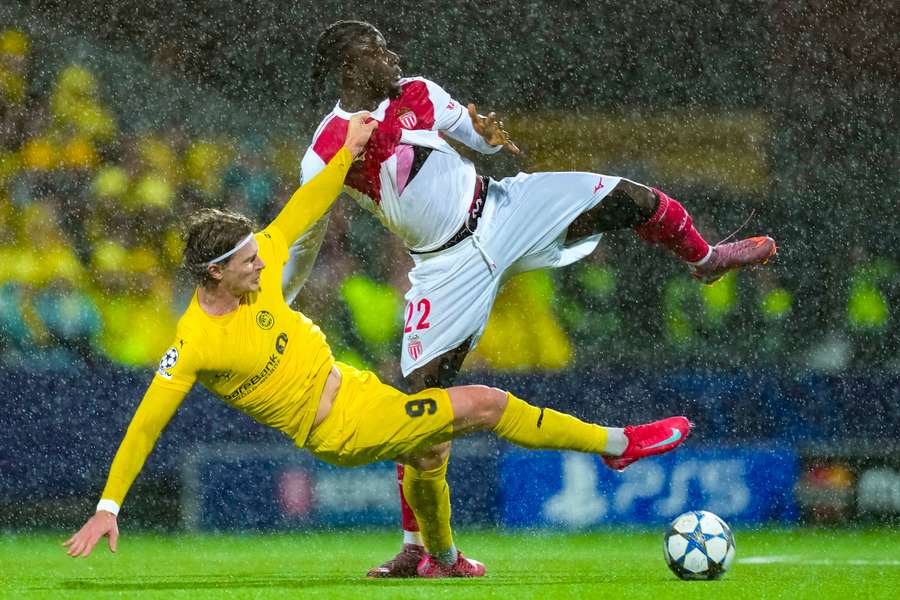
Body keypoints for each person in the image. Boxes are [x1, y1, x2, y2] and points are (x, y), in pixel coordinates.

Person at [63, 113, 692, 578]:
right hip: (340, 428)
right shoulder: (196, 341)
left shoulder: (259, 269)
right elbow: (146, 424)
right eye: (249, 262)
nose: (263, 265)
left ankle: (438, 559)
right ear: (214, 276)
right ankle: (616, 445)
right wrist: (108, 505)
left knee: (431, 449)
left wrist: (346, 155)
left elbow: (303, 207)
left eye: (259, 254)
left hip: (356, 389)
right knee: (483, 404)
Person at [293, 20, 777, 577]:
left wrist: (487, 134)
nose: (390, 54)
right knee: (418, 414)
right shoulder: (325, 148)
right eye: (375, 50)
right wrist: (279, 300)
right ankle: (417, 550)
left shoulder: (419, 92)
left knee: (632, 197)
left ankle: (705, 260)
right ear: (349, 68)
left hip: (504, 209)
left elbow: (477, 140)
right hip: (446, 266)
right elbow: (305, 238)